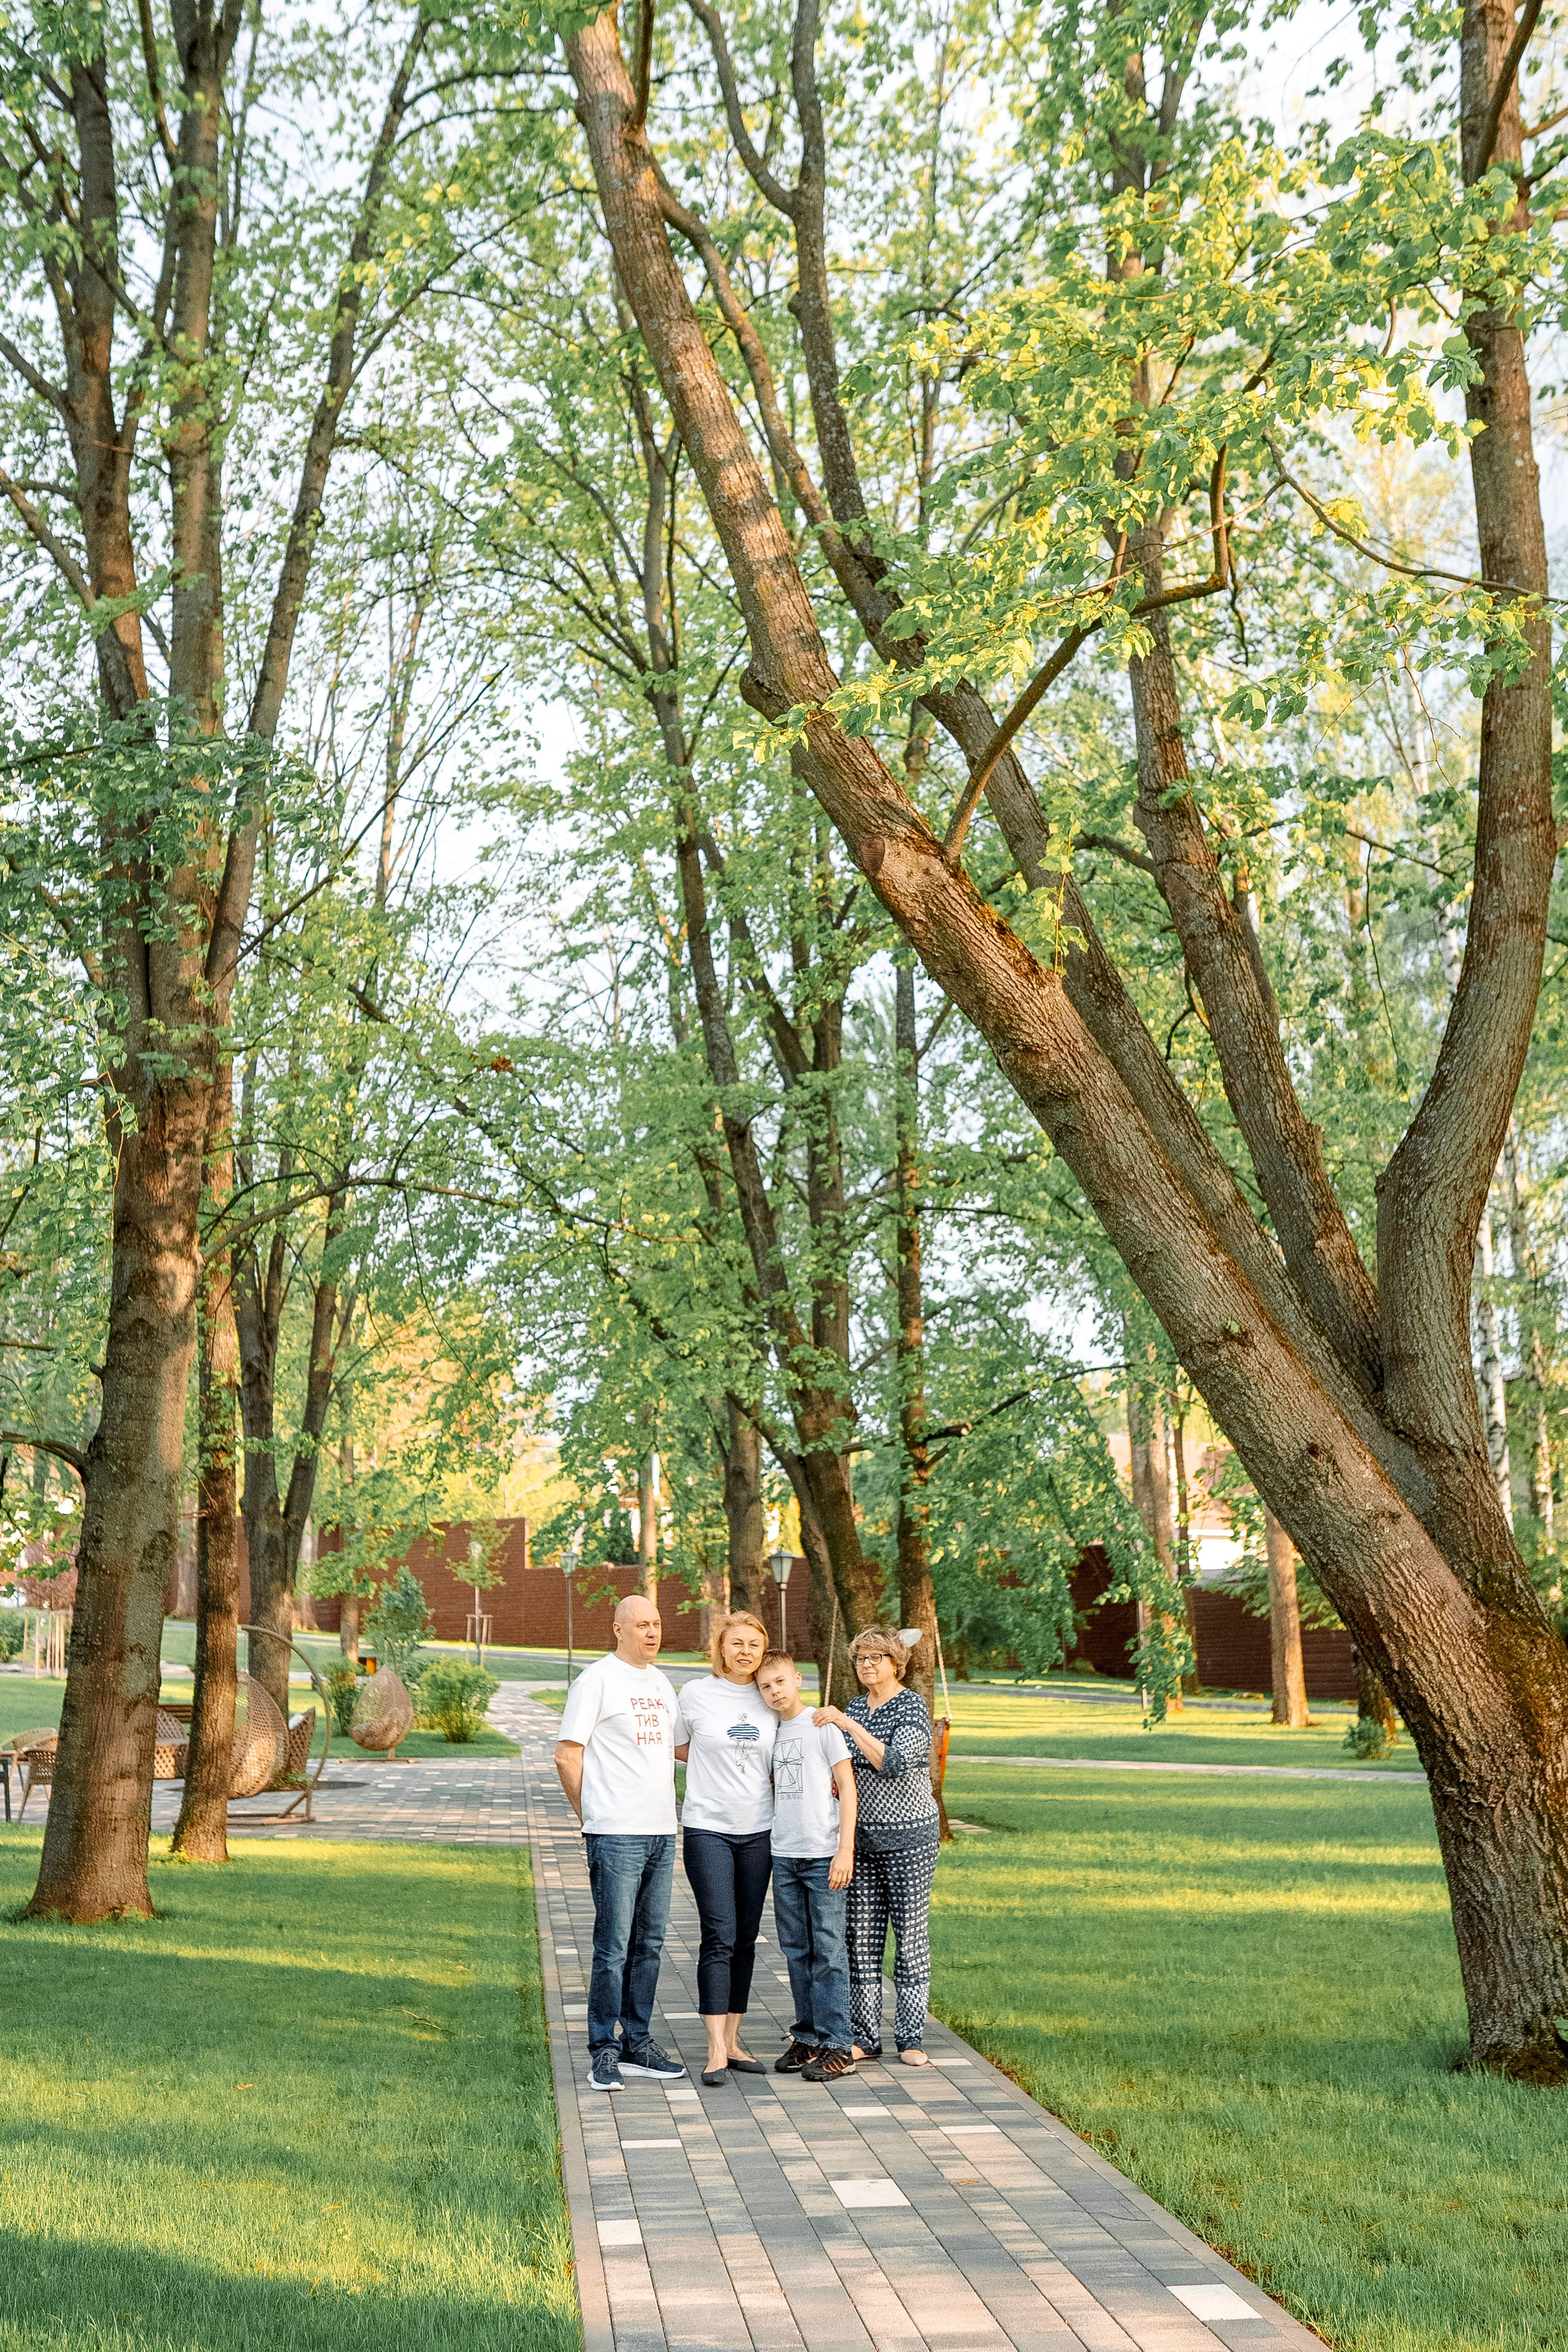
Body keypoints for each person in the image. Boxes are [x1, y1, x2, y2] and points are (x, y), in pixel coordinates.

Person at [556, 1593, 688, 2092]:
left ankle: (637, 2043)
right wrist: (591, 1818)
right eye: (641, 1625)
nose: (652, 1633)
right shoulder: (596, 1681)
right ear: (618, 1629)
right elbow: (568, 1755)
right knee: (612, 1947)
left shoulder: (660, 1682)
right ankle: (603, 2051)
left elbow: (677, 1747)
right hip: (616, 1835)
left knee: (649, 1945)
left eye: (657, 1624)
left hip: (660, 1830)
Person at [815, 1625, 940, 2066]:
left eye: (876, 1658)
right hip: (862, 1842)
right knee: (861, 1941)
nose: (867, 1665)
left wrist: (848, 1723)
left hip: (911, 1841)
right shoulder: (854, 1705)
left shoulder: (911, 1706)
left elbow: (895, 1762)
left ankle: (911, 2038)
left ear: (895, 1662)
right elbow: (847, 1766)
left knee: (909, 1938)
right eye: (861, 1658)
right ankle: (866, 2038)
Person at [671, 1608, 777, 2084]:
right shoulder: (695, 1693)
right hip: (708, 1828)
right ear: (720, 1648)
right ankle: (715, 2050)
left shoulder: (770, 1696)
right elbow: (677, 1748)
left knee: (746, 1938)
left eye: (754, 1645)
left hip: (760, 1830)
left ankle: (734, 2040)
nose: (745, 1652)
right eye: (736, 1643)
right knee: (719, 1933)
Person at [756, 1649, 858, 2083]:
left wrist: (845, 1849)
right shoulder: (770, 1732)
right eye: (765, 1686)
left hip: (822, 1856)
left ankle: (839, 2045)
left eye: (780, 1681)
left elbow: (848, 1789)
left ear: (797, 1679)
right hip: (785, 1854)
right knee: (796, 1950)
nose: (775, 1691)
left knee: (829, 1951)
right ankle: (808, 2037)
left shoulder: (822, 1726)